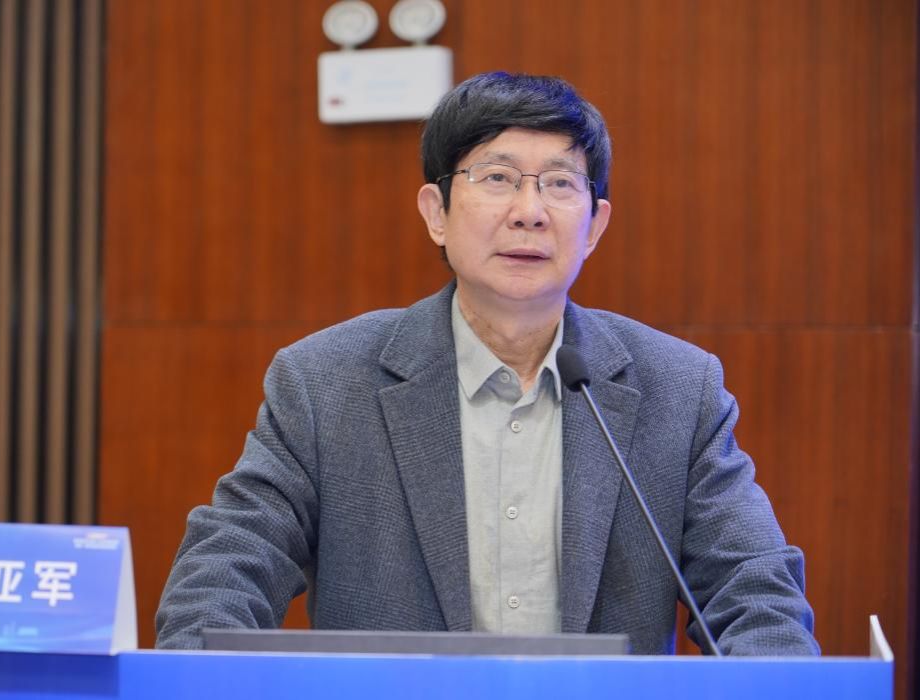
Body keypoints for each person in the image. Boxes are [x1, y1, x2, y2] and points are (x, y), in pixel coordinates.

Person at [155, 72, 819, 655]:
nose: (529, 213)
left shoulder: (679, 389)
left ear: (594, 226)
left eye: (560, 184)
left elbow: (756, 595)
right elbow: (223, 574)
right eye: (497, 178)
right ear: (437, 213)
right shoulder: (324, 384)